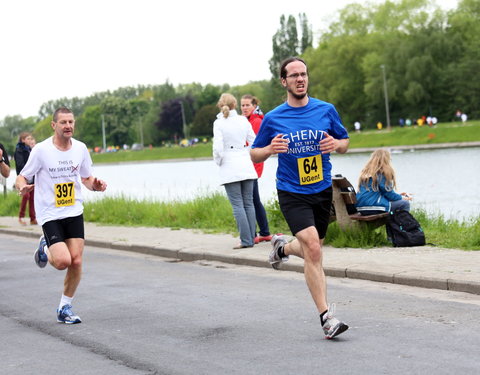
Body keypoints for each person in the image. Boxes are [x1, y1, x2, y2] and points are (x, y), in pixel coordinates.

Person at [251, 57, 350, 339]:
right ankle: (326, 317)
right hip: (292, 191)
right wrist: (270, 148)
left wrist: (336, 144)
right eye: (293, 75)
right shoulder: (273, 118)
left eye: (303, 74)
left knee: (313, 247)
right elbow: (254, 153)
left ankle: (281, 249)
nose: (300, 79)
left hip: (320, 190)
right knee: (314, 249)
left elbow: (344, 142)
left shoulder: (325, 110)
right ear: (284, 81)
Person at [15, 107, 107, 324]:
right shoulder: (41, 150)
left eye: (71, 122)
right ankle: (45, 247)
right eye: (63, 122)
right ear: (54, 125)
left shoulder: (81, 149)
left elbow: (86, 178)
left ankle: (64, 307)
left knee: (76, 261)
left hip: (74, 210)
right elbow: (22, 176)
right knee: (63, 261)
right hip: (50, 213)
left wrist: (95, 185)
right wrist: (22, 188)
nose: (68, 126)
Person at [213, 94, 258, 249]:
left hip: (229, 165)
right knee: (249, 203)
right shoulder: (243, 120)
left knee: (238, 205)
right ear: (234, 105)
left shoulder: (219, 123)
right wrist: (246, 153)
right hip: (245, 163)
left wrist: (219, 162)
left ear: (221, 105)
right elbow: (254, 141)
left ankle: (246, 241)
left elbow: (218, 149)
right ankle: (251, 238)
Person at [240, 94, 272, 243]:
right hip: (247, 164)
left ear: (254, 106)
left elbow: (255, 144)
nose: (244, 108)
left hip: (253, 164)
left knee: (251, 200)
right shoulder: (246, 121)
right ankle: (264, 232)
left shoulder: (256, 121)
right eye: (242, 105)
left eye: (247, 105)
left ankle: (258, 233)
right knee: (253, 199)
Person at [355, 149, 412, 215]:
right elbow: (389, 194)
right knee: (404, 203)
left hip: (360, 207)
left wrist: (398, 195)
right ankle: (403, 224)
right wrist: (403, 198)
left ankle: (395, 224)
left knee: (393, 203)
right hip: (374, 207)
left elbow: (378, 193)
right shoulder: (381, 173)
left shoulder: (366, 173)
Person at [14, 132, 37, 225]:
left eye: (31, 139)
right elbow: (20, 165)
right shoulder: (19, 150)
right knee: (26, 196)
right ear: (23, 140)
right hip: (23, 177)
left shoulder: (30, 150)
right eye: (28, 138)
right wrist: (28, 171)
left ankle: (33, 218)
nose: (30, 140)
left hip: (32, 177)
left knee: (32, 198)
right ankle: (21, 217)